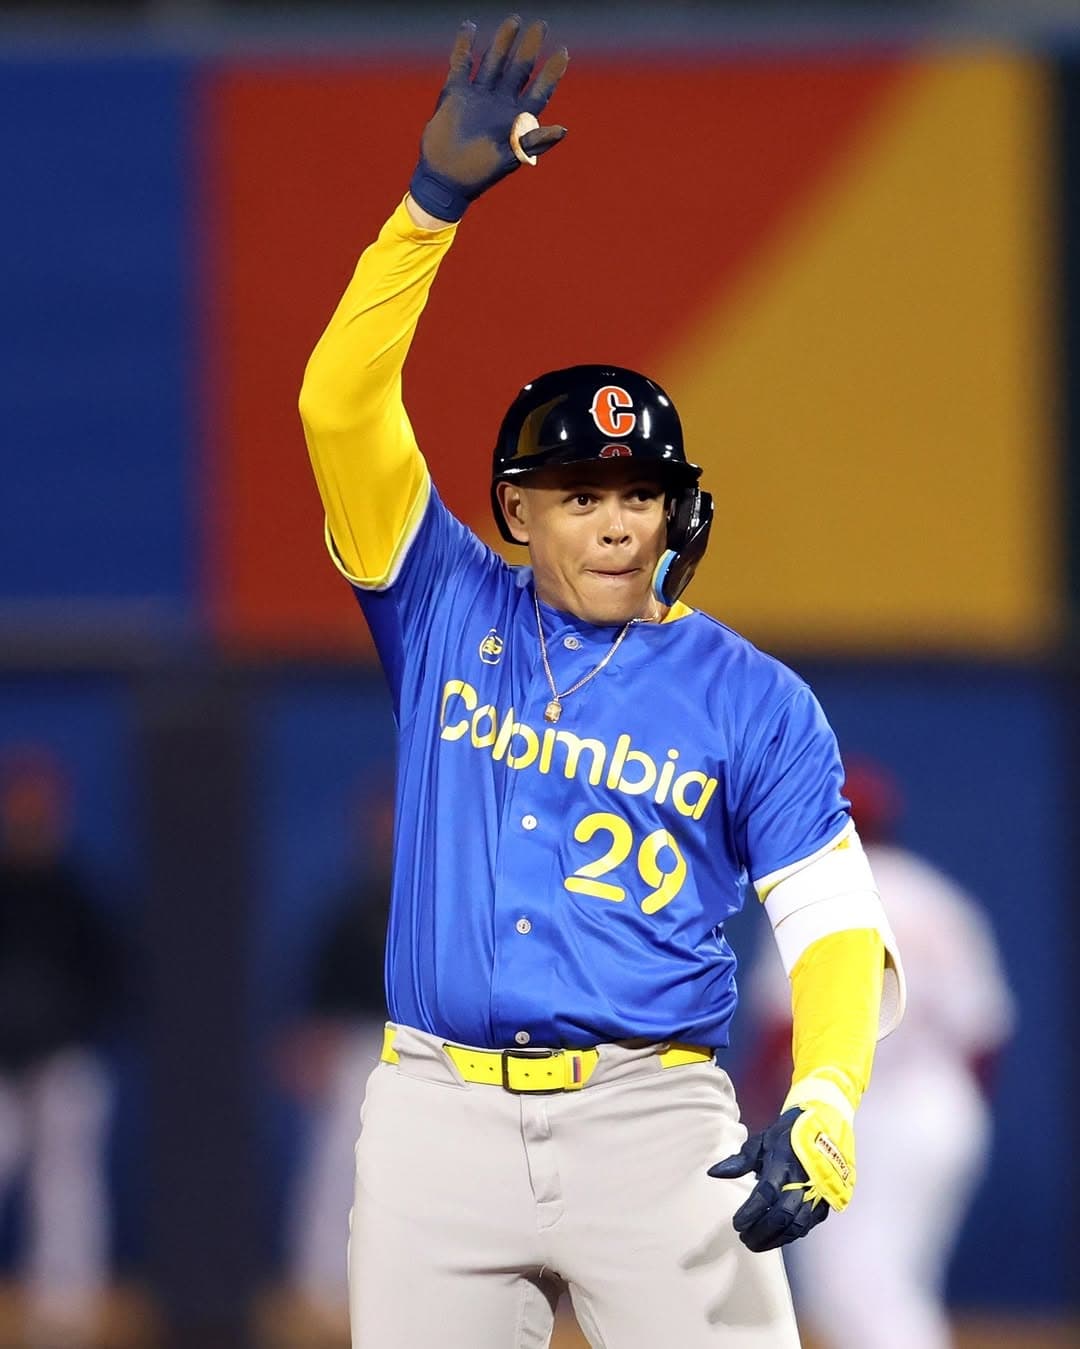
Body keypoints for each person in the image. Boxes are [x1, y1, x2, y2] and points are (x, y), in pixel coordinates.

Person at [298, 16, 905, 1347]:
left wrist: (828, 1095)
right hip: (436, 1113)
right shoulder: (440, 603)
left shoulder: (754, 699)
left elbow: (834, 921)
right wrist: (427, 209)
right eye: (580, 493)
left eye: (641, 490)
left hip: (656, 1114)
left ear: (680, 510)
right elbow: (340, 408)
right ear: (517, 511)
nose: (617, 518)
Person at [744, 758, 1013, 1349]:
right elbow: (985, 1036)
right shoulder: (940, 899)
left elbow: (780, 1032)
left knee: (858, 1287)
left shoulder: (818, 895)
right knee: (891, 1285)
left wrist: (761, 1111)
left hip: (861, 1107)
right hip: (941, 1105)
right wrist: (956, 1106)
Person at [0, 748, 119, 1348]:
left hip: (62, 1060)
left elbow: (115, 986)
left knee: (67, 1174)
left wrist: (61, 1037)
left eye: (37, 804)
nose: (27, 814)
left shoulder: (77, 895)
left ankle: (66, 1308)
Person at [276, 789, 394, 1330]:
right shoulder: (351, 908)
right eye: (380, 821)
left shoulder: (450, 899)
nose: (387, 832)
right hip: (358, 1046)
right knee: (336, 1165)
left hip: (436, 1051)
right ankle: (319, 1287)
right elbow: (320, 994)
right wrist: (311, 1040)